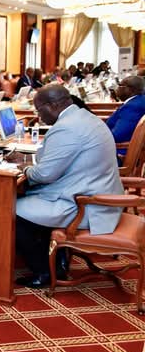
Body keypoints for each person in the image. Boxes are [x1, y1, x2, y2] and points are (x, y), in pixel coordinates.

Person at [15, 85, 123, 288]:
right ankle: (58, 260)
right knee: (25, 196)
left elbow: (44, 174)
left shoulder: (66, 127)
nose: (38, 116)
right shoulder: (85, 117)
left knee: (10, 210)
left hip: (86, 205)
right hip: (96, 195)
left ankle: (44, 271)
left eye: (39, 110)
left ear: (53, 105)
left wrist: (25, 168)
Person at [106, 75, 145, 147]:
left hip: (119, 149)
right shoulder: (140, 100)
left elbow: (117, 136)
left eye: (119, 85)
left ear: (130, 89)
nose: (117, 88)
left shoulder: (132, 107)